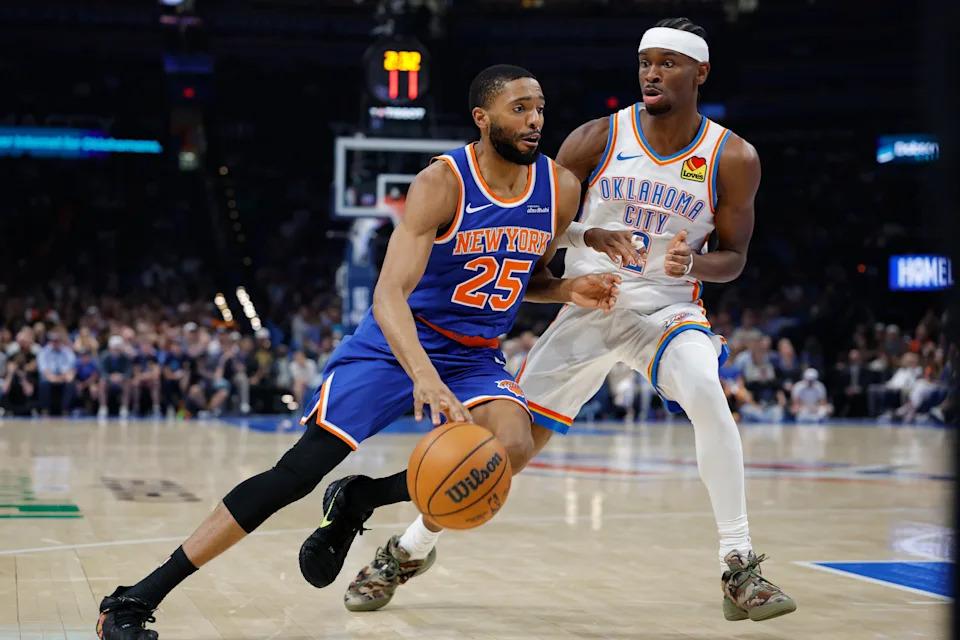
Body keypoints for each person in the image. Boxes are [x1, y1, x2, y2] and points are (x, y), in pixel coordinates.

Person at [95, 63, 621, 640]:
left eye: (539, 107)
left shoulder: (560, 189)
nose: (535, 119)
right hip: (397, 343)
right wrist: (422, 375)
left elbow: (529, 277)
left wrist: (568, 289)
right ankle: (133, 599)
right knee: (296, 474)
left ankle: (360, 498)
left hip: (473, 354)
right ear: (482, 117)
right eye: (519, 108)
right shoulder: (442, 183)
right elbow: (388, 294)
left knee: (512, 448)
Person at [340, 18, 796, 622]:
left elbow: (734, 258)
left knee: (709, 393)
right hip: (587, 305)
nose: (652, 73)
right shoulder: (596, 139)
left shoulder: (732, 156)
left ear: (700, 72)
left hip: (666, 311)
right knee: (503, 451)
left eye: (667, 63)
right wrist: (573, 266)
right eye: (645, 62)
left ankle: (739, 565)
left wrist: (699, 263)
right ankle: (407, 550)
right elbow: (536, 225)